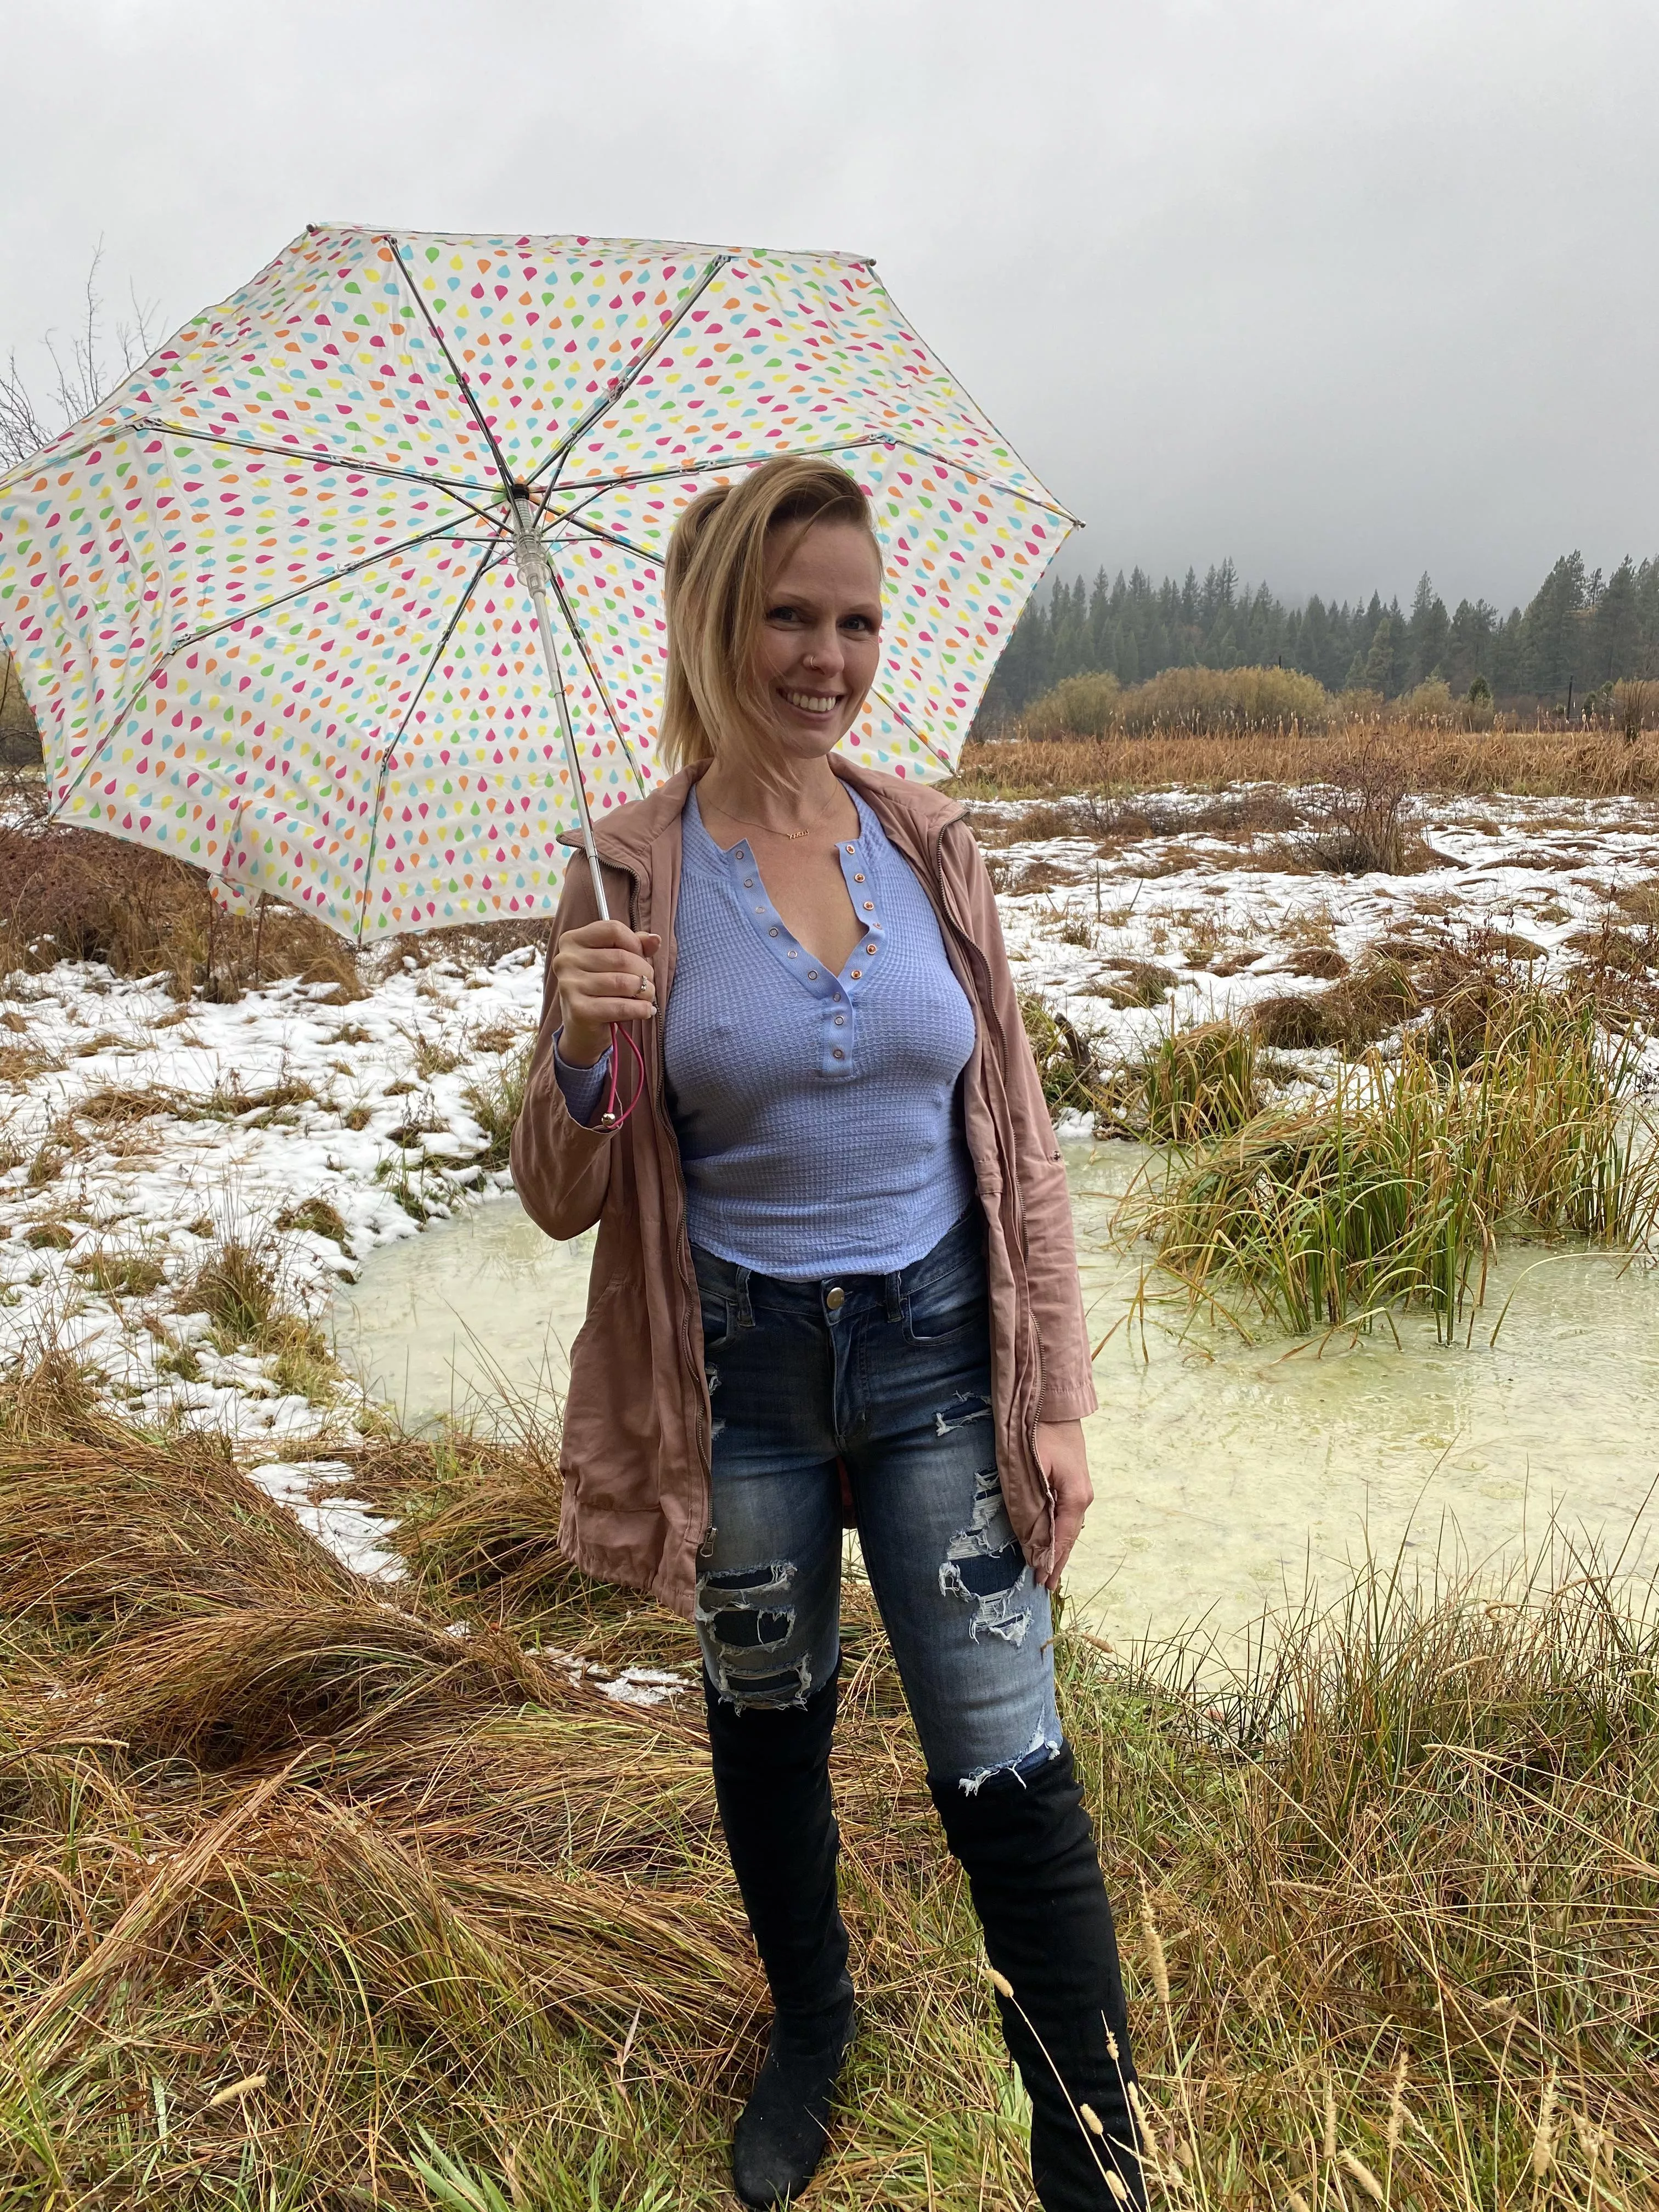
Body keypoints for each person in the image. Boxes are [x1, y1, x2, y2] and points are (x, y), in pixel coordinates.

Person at [511, 456, 1142, 2210]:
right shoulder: (622, 875)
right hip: (746, 1382)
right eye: (789, 614)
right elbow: (567, 1185)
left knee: (1007, 1751)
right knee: (770, 1725)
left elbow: (1015, 1132)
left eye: (856, 618)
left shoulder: (929, 839)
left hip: (943, 1354)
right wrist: (581, 1043)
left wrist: (1060, 1397)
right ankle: (813, 2033)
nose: (826, 655)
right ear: (717, 623)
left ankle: (1093, 2147)